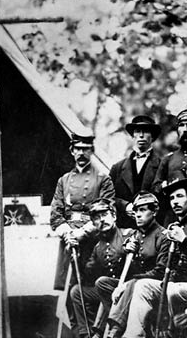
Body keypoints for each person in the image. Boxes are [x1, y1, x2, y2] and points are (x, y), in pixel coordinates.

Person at [122, 177, 187, 337]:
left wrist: (184, 240)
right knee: (143, 286)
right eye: (172, 198)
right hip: (171, 281)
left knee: (170, 292)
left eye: (179, 197)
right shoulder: (173, 227)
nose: (175, 202)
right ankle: (133, 335)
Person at [50, 134, 115, 290]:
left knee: (89, 284)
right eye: (77, 149)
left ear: (92, 151)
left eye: (85, 149)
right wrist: (67, 234)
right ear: (72, 151)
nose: (81, 153)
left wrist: (82, 233)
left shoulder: (103, 180)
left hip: (92, 238)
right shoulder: (63, 180)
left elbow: (108, 211)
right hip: (68, 239)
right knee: (68, 286)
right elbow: (55, 213)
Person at [104, 192, 167, 338]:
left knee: (132, 285)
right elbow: (122, 272)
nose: (138, 215)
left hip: (152, 287)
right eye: (136, 210)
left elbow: (161, 271)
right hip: (133, 285)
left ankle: (113, 331)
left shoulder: (163, 236)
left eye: (143, 210)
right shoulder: (135, 236)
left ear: (155, 211)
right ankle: (107, 327)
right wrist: (125, 253)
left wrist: (130, 282)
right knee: (103, 283)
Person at [70, 198, 135, 338]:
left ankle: (101, 332)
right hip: (106, 291)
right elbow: (88, 273)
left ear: (114, 216)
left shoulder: (128, 235)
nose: (102, 220)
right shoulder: (98, 247)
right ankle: (86, 333)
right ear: (93, 223)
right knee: (76, 291)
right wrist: (77, 254)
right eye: (97, 218)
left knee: (102, 283)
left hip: (127, 289)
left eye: (104, 215)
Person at [110, 115, 163, 229]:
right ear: (133, 135)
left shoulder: (162, 166)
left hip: (151, 229)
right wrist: (126, 206)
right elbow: (109, 197)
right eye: (138, 131)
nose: (141, 135)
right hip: (123, 228)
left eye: (146, 131)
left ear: (152, 136)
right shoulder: (117, 168)